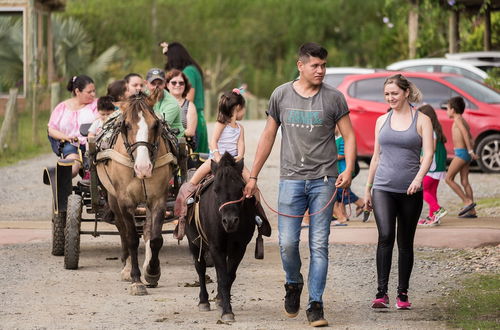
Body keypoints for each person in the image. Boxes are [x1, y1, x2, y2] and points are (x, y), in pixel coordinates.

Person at [244, 42, 356, 327]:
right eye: (315, 66)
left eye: (323, 66)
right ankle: (293, 283)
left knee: (319, 245)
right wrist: (254, 175)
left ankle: (315, 304)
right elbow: (268, 136)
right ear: (300, 66)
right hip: (291, 181)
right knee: (287, 243)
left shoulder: (334, 98)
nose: (320, 71)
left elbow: (349, 135)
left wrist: (350, 169)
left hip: (324, 181)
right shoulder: (281, 95)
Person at [363, 74, 433, 310]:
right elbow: (375, 157)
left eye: (394, 93)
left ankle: (402, 294)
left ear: (405, 93)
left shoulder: (422, 119)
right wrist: (368, 188)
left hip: (410, 190)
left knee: (405, 242)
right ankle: (381, 293)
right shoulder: (382, 121)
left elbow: (429, 155)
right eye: (387, 94)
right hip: (383, 187)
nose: (390, 98)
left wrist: (418, 179)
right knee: (385, 236)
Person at [161, 41, 209, 153]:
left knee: (197, 157)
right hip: (197, 117)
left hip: (192, 118)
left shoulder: (189, 71)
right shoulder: (192, 69)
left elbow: (188, 99)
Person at [47, 75, 98, 177]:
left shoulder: (97, 104)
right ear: (77, 91)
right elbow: (51, 129)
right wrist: (67, 137)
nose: (93, 94)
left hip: (93, 143)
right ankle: (59, 176)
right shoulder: (62, 107)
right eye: (89, 92)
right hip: (71, 143)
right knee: (73, 166)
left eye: (94, 91)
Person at [444, 96, 478, 218]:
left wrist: (469, 150)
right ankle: (472, 211)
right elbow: (469, 135)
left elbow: (464, 132)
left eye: (447, 109)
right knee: (464, 181)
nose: (446, 111)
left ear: (453, 110)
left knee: (448, 178)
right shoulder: (462, 119)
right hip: (465, 154)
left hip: (462, 153)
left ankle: (467, 202)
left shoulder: (458, 119)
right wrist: (471, 148)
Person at [417, 104, 448, 226]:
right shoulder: (437, 130)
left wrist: (422, 157)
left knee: (421, 190)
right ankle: (433, 217)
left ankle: (438, 209)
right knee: (432, 192)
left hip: (431, 167)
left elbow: (432, 148)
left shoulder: (431, 132)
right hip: (438, 169)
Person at [144, 68, 184, 138]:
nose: (156, 87)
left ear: (165, 84)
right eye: (153, 83)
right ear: (146, 83)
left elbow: (159, 126)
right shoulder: (142, 97)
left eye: (160, 83)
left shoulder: (172, 103)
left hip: (171, 138)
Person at [165, 69, 198, 144]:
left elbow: (191, 132)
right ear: (167, 85)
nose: (178, 85)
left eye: (181, 83)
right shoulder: (160, 103)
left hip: (181, 145)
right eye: (174, 83)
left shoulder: (190, 106)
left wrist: (169, 132)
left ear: (185, 86)